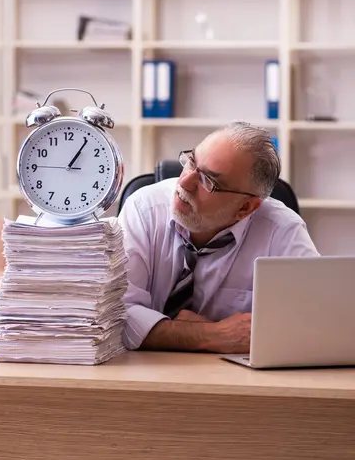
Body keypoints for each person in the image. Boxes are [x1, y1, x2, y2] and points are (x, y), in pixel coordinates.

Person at [118, 121, 319, 354]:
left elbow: (314, 322)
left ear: (245, 208)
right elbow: (116, 315)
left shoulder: (281, 230)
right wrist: (213, 335)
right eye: (191, 161)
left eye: (208, 182)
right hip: (142, 373)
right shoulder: (144, 209)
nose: (184, 182)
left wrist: (169, 332)